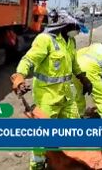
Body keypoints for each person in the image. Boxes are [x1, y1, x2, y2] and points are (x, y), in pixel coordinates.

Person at [11, 15, 93, 170]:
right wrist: (20, 76)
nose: (78, 33)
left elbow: (74, 64)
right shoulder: (45, 40)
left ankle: (66, 158)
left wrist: (84, 79)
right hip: (47, 97)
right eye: (77, 29)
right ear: (67, 25)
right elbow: (28, 60)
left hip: (66, 95)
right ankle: (38, 165)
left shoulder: (70, 42)